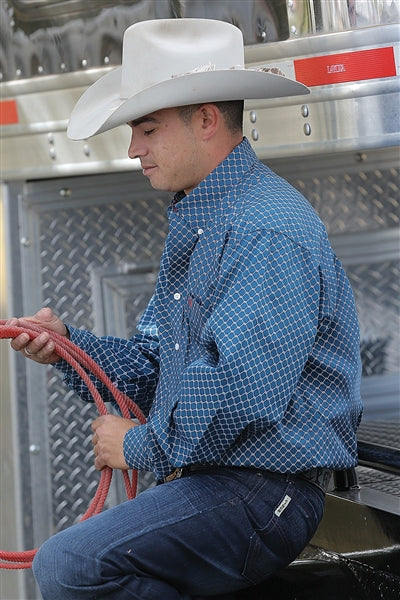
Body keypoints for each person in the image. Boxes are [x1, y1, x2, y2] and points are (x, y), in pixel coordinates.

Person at [7, 18, 362, 600]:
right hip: (227, 482)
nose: (132, 148)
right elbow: (157, 368)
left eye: (147, 129)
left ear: (204, 120)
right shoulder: (205, 220)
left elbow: (242, 393)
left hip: (262, 490)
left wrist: (138, 445)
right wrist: (68, 347)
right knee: (76, 562)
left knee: (70, 566)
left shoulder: (264, 229)